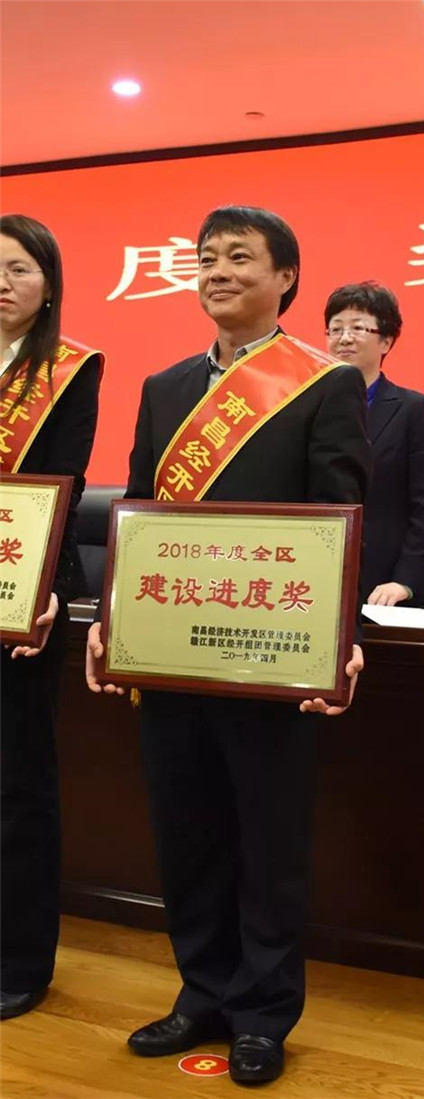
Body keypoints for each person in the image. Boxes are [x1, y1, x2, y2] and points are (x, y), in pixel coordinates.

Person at [86, 206, 371, 1086]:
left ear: (286, 277)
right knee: (187, 831)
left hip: (269, 653)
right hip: (171, 650)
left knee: (269, 839)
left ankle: (263, 1012)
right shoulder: (164, 386)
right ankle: (202, 992)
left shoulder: (323, 384)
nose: (216, 271)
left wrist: (341, 637)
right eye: (206, 257)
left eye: (239, 257)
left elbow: (341, 515)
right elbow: (139, 508)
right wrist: (110, 618)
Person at [0, 214, 103, 1020]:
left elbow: (63, 489)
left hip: (23, 599)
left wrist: (44, 589)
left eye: (18, 268)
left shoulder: (68, 371)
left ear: (49, 285)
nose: (2, 283)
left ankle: (19, 959)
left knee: (16, 783)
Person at [325, 281, 424, 607]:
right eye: (335, 329)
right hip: (316, 579)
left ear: (386, 341)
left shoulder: (413, 409)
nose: (344, 338)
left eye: (358, 328)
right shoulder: (304, 406)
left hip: (384, 588)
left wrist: (405, 581)